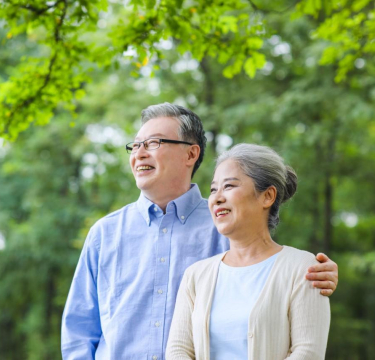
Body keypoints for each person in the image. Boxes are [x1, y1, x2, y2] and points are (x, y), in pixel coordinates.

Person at [61, 103, 338, 360]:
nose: (139, 153)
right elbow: (79, 331)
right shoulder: (104, 233)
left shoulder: (228, 225)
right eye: (135, 145)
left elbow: (268, 278)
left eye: (153, 143)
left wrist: (315, 273)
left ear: (191, 153)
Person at [166, 143, 331, 359]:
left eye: (229, 186)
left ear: (267, 196)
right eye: (214, 189)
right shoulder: (196, 275)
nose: (216, 198)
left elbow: (308, 352)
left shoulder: (304, 269)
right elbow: (178, 351)